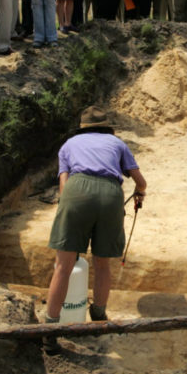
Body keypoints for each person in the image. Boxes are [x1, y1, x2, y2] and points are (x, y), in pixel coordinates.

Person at [43, 106, 147, 354]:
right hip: (110, 194)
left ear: (83, 127)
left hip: (75, 191)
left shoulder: (69, 145)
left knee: (63, 267)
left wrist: (68, 207)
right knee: (102, 265)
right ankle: (99, 317)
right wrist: (139, 194)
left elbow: (63, 184)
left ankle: (49, 331)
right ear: (107, 127)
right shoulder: (117, 143)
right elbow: (140, 181)